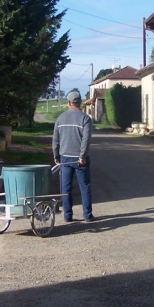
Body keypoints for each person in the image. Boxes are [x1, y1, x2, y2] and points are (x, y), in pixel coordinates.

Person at [52, 91, 94, 222]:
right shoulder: (85, 118)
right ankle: (87, 215)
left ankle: (67, 215)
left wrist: (56, 154)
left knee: (66, 187)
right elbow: (86, 140)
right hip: (80, 158)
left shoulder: (60, 118)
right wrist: (82, 156)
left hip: (64, 157)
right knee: (84, 186)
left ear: (69, 103)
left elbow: (55, 139)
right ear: (80, 103)